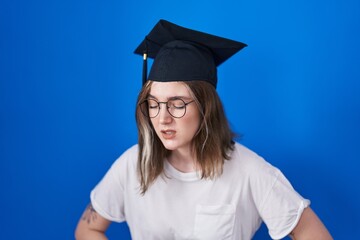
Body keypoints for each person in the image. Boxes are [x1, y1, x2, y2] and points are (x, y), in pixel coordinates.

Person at [75, 19, 332, 240]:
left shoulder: (249, 172)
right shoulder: (132, 165)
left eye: (177, 105)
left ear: (205, 107)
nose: (162, 118)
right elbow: (86, 230)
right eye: (153, 104)